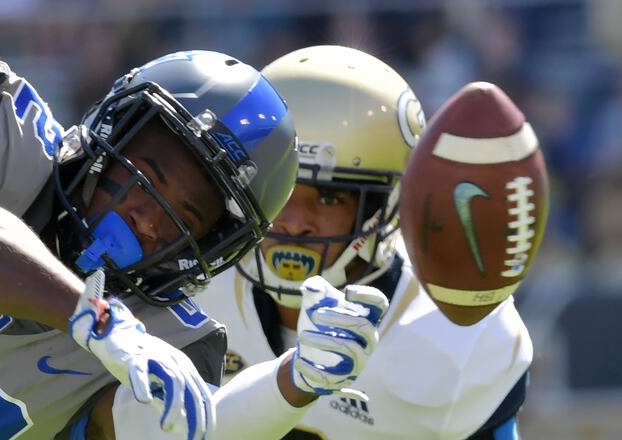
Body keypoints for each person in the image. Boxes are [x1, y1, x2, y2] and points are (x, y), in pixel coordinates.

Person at [0, 50, 303, 439]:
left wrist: (295, 383)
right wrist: (99, 320)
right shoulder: (4, 130)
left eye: (186, 216)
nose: (147, 217)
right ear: (114, 133)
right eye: (145, 179)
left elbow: (140, 429)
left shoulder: (172, 342)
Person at [197, 45, 532, 439]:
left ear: (383, 207)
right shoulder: (197, 284)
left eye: (329, 197)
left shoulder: (454, 337)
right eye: (281, 188)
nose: (296, 221)